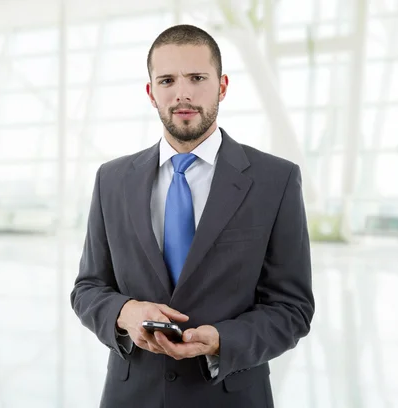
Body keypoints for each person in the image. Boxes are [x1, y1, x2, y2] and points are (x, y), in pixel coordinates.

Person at [70, 24, 314, 408]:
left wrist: (222, 340)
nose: (182, 92)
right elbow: (87, 289)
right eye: (167, 80)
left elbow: (292, 309)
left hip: (230, 396)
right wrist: (125, 312)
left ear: (222, 86)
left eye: (197, 78)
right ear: (152, 93)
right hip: (132, 396)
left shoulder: (275, 179)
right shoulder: (112, 180)